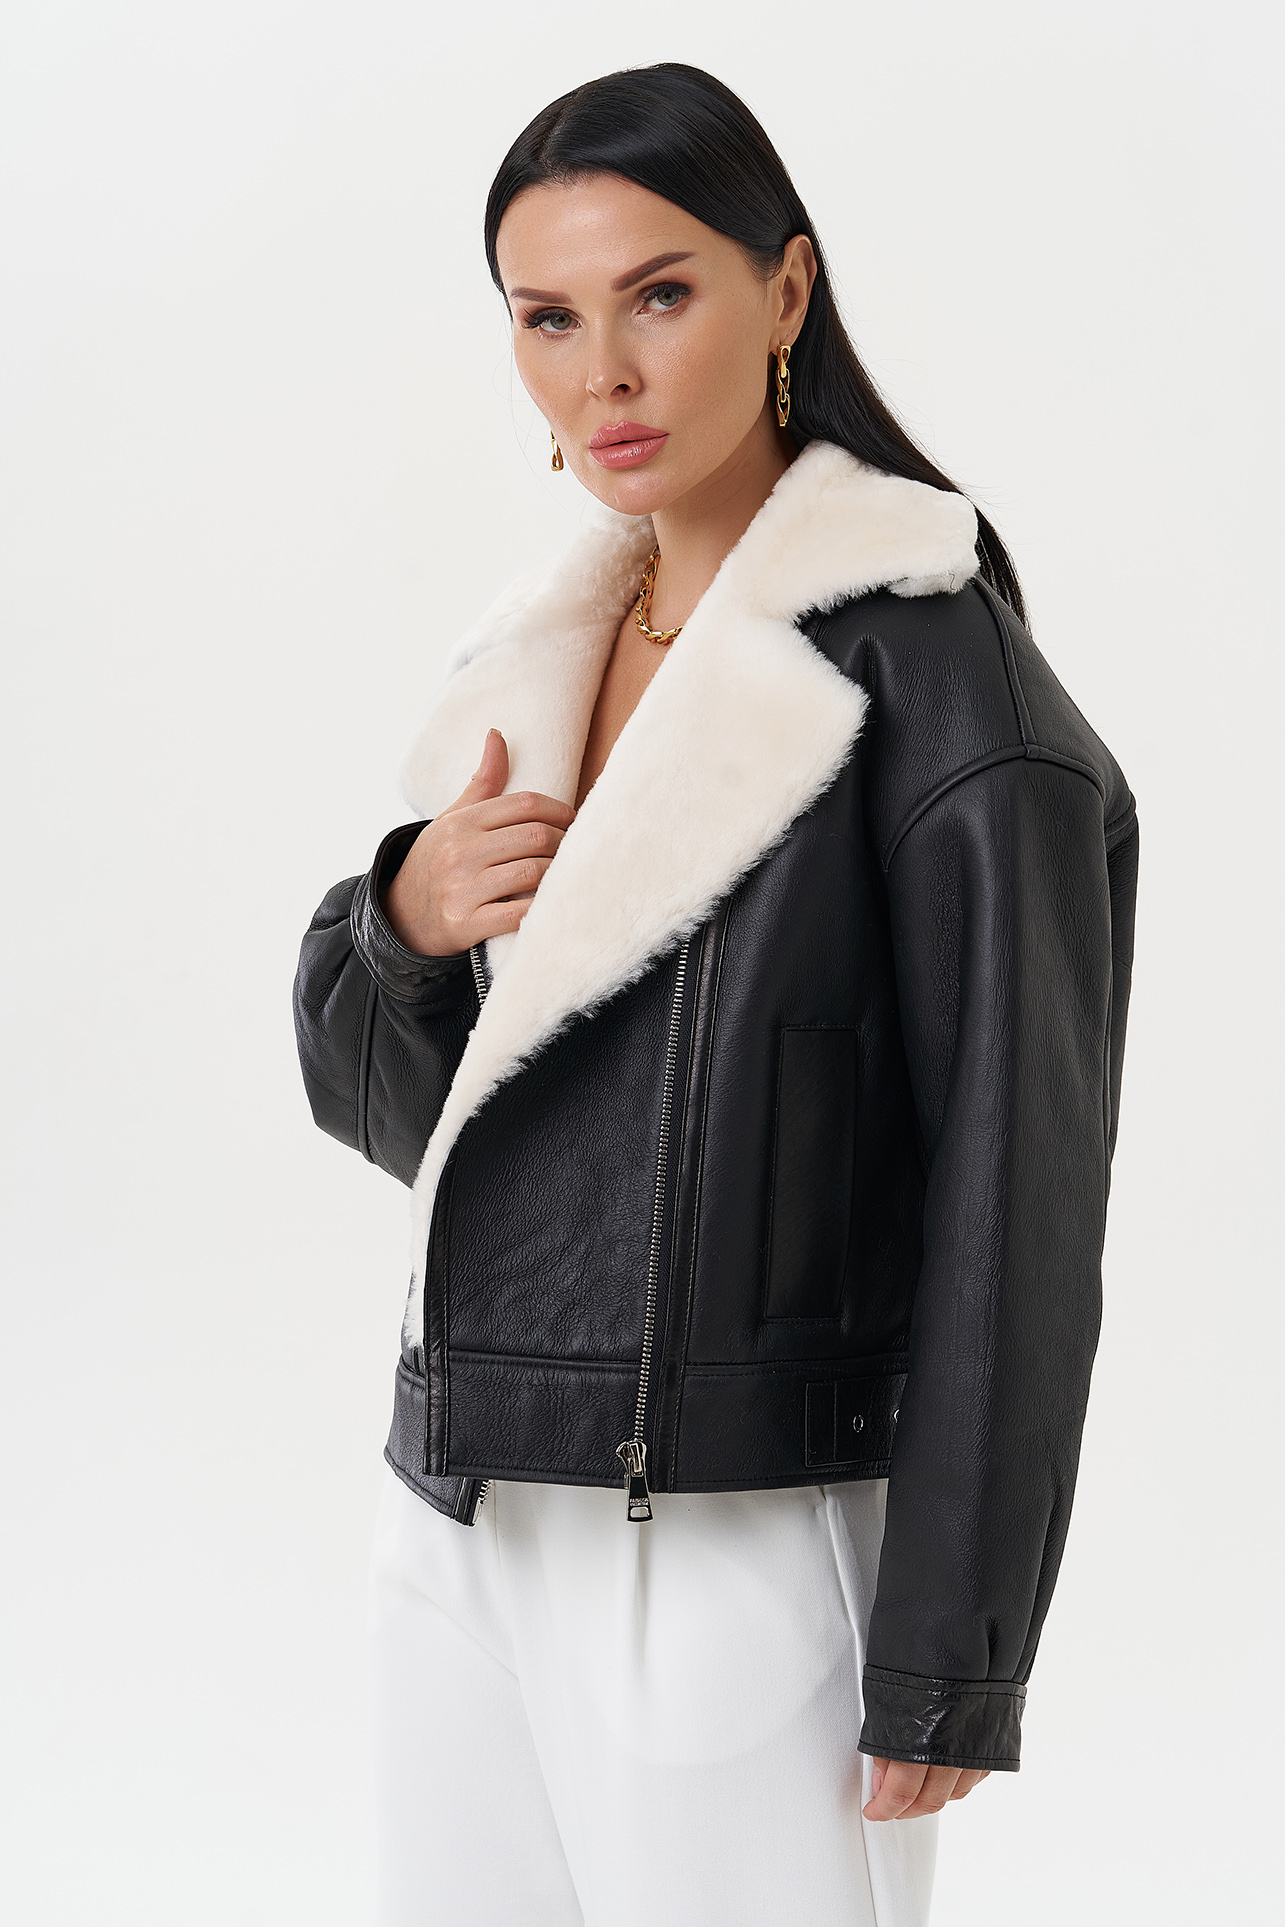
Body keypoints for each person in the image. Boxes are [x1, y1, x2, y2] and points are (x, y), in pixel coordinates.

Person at [292, 62, 1139, 1927]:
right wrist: (399, 927)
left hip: (741, 1544)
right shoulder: (542, 659)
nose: (602, 372)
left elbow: (1018, 1201)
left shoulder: (941, 695)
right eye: (546, 317)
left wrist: (952, 1651)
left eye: (658, 294)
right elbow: (425, 1141)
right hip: (456, 1510)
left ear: (785, 291)